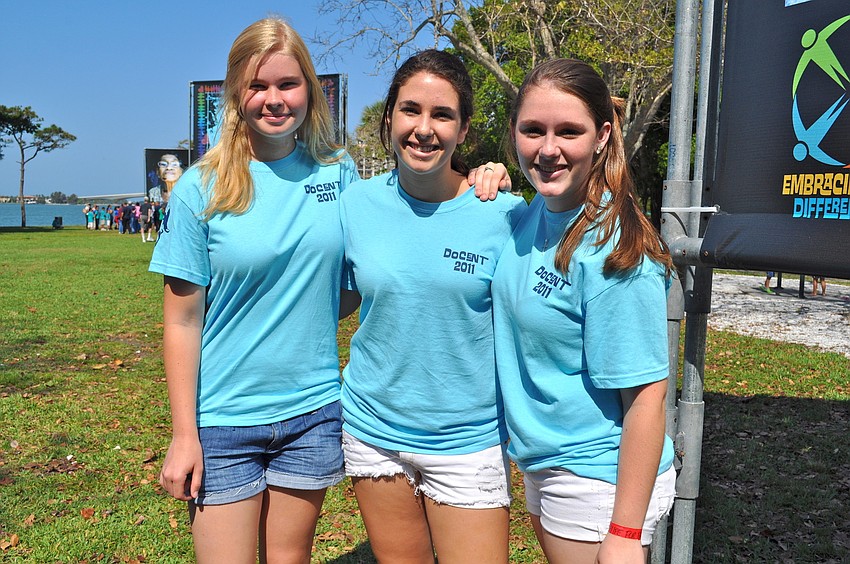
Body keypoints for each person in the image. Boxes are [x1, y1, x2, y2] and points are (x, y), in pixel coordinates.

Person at [149, 18, 507, 562]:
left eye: (288, 84)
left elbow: (357, 279)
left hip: (314, 410)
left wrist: (487, 175)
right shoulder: (200, 187)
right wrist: (183, 433)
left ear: (310, 91)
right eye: (257, 85)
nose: (274, 99)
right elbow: (180, 320)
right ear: (233, 93)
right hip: (223, 416)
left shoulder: (336, 174)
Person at [339, 49, 525, 563]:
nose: (424, 129)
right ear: (389, 119)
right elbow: (331, 294)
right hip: (373, 429)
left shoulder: (504, 214)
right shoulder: (354, 204)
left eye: (442, 115)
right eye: (410, 110)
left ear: (464, 130)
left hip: (468, 438)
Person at [491, 58, 676, 564]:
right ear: (514, 135)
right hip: (546, 459)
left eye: (568, 131)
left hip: (599, 477)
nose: (547, 149)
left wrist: (623, 531)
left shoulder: (615, 252)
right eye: (533, 130)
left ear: (601, 136)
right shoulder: (535, 212)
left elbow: (646, 398)